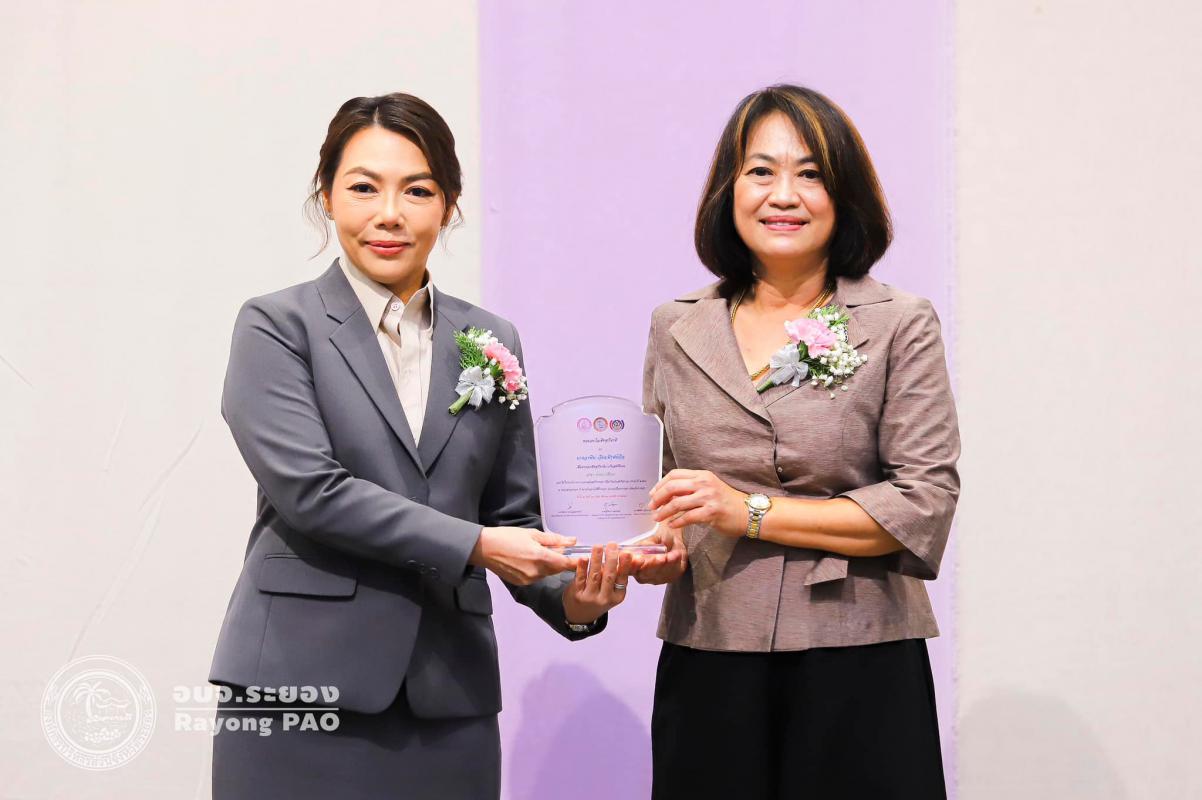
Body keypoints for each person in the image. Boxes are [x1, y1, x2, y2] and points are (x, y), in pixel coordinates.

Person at [208, 92, 661, 799]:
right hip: (300, 686)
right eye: (364, 187)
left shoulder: (490, 339)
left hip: (450, 696)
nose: (390, 214)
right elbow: (311, 492)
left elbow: (512, 516)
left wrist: (577, 596)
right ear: (326, 197)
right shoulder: (277, 325)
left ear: (448, 205)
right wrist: (477, 546)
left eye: (417, 191)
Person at [635, 84, 961, 798]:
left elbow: (923, 503)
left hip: (859, 655)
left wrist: (747, 512)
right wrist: (652, 550)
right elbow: (666, 498)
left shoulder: (899, 322)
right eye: (761, 171)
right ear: (729, 190)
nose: (783, 194)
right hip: (711, 650)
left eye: (810, 174)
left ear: (844, 195)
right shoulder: (675, 325)